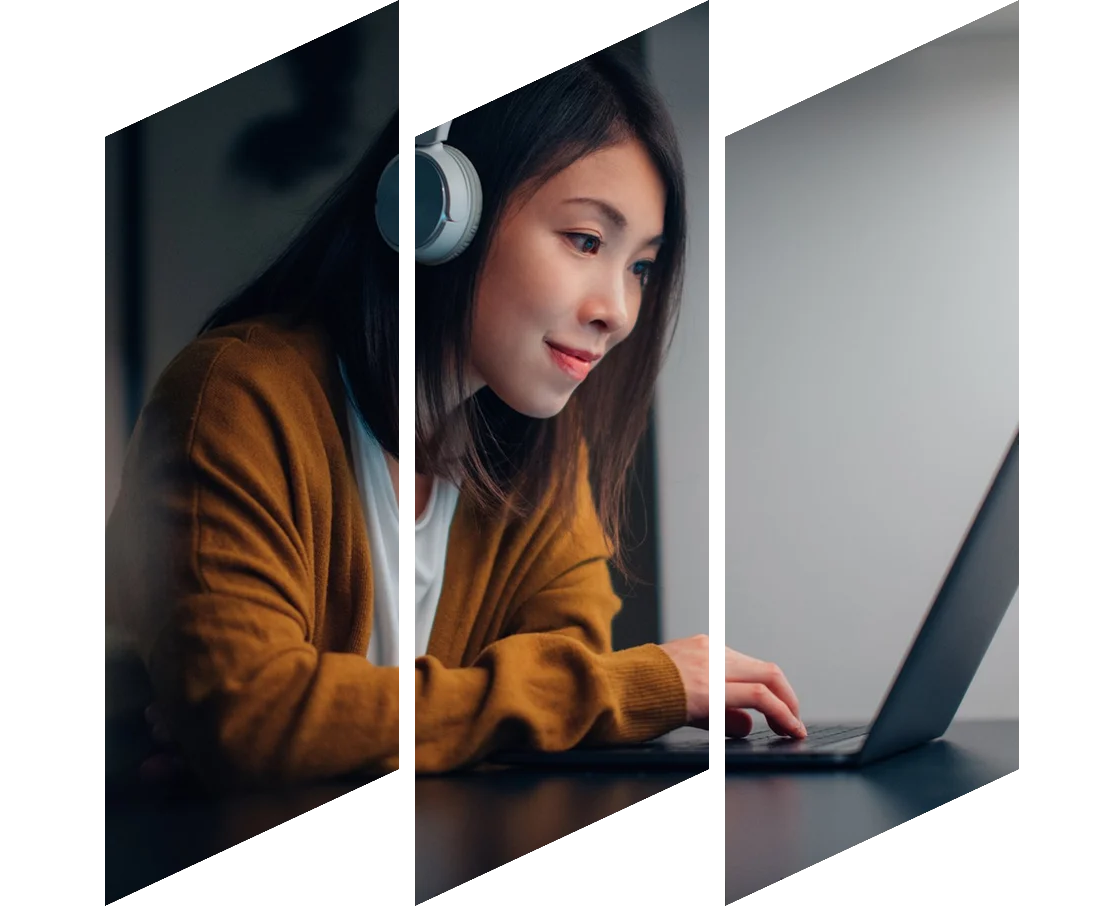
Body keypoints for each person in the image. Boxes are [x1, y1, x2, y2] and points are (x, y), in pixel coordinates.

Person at [103, 46, 806, 792]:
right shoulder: (239, 398)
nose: (620, 312)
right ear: (433, 213)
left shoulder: (542, 453)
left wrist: (321, 733)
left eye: (640, 266)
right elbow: (254, 717)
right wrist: (275, 729)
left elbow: (555, 714)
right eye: (586, 241)